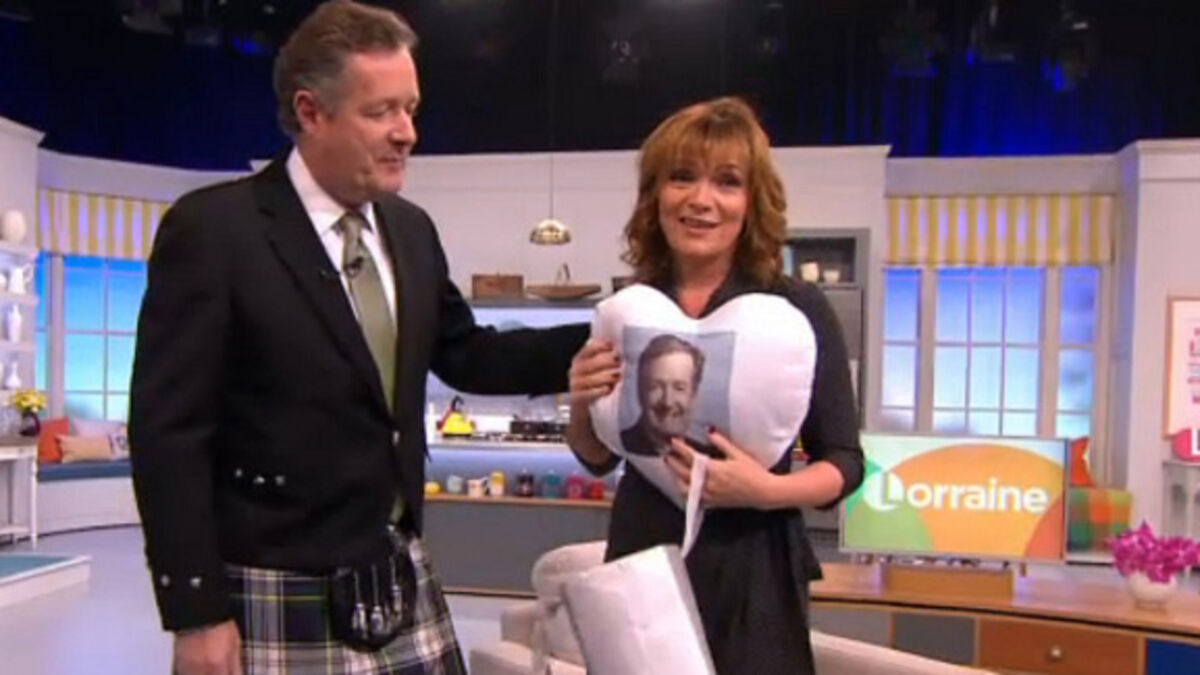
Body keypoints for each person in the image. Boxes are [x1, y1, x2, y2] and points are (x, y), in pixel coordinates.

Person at [128, 2, 587, 673]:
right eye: (381, 112)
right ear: (311, 111)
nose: (407, 133)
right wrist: (195, 610)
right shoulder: (214, 231)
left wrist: (609, 335)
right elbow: (168, 434)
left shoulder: (410, 229)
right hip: (272, 578)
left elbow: (470, 354)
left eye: (411, 109)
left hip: (398, 568)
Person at [566, 97, 864, 675]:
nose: (701, 200)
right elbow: (598, 457)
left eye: (727, 182)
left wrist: (764, 489)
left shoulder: (796, 307)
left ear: (752, 201)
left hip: (754, 571)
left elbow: (846, 463)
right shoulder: (632, 306)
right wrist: (580, 400)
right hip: (641, 558)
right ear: (655, 195)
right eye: (682, 177)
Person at [619, 333, 705, 457]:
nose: (667, 402)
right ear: (640, 391)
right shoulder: (617, 445)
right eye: (655, 387)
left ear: (694, 395)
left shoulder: (708, 455)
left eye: (679, 388)